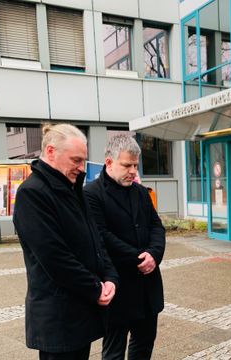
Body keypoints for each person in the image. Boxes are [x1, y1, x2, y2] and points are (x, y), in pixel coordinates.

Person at [13, 124, 119, 360]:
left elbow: (96, 239)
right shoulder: (32, 194)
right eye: (76, 160)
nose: (82, 168)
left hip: (80, 313)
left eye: (83, 160)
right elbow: (54, 257)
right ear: (51, 152)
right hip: (59, 318)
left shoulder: (73, 188)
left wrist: (110, 277)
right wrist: (95, 288)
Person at [84, 135, 165, 360]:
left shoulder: (140, 192)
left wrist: (154, 255)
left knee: (144, 343)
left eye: (135, 165)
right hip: (117, 285)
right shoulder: (91, 194)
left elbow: (156, 226)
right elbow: (102, 236)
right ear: (109, 163)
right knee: (114, 350)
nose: (132, 171)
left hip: (147, 285)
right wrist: (141, 258)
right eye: (127, 165)